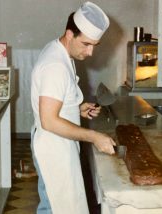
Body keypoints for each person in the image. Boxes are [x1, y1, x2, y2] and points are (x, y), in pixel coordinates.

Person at [30, 2, 116, 213]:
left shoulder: (58, 49)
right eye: (86, 44)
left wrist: (76, 109)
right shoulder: (56, 66)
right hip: (53, 148)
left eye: (95, 45)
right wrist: (94, 136)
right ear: (70, 34)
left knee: (55, 204)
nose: (90, 52)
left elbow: (53, 105)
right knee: (54, 207)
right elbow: (49, 120)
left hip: (56, 144)